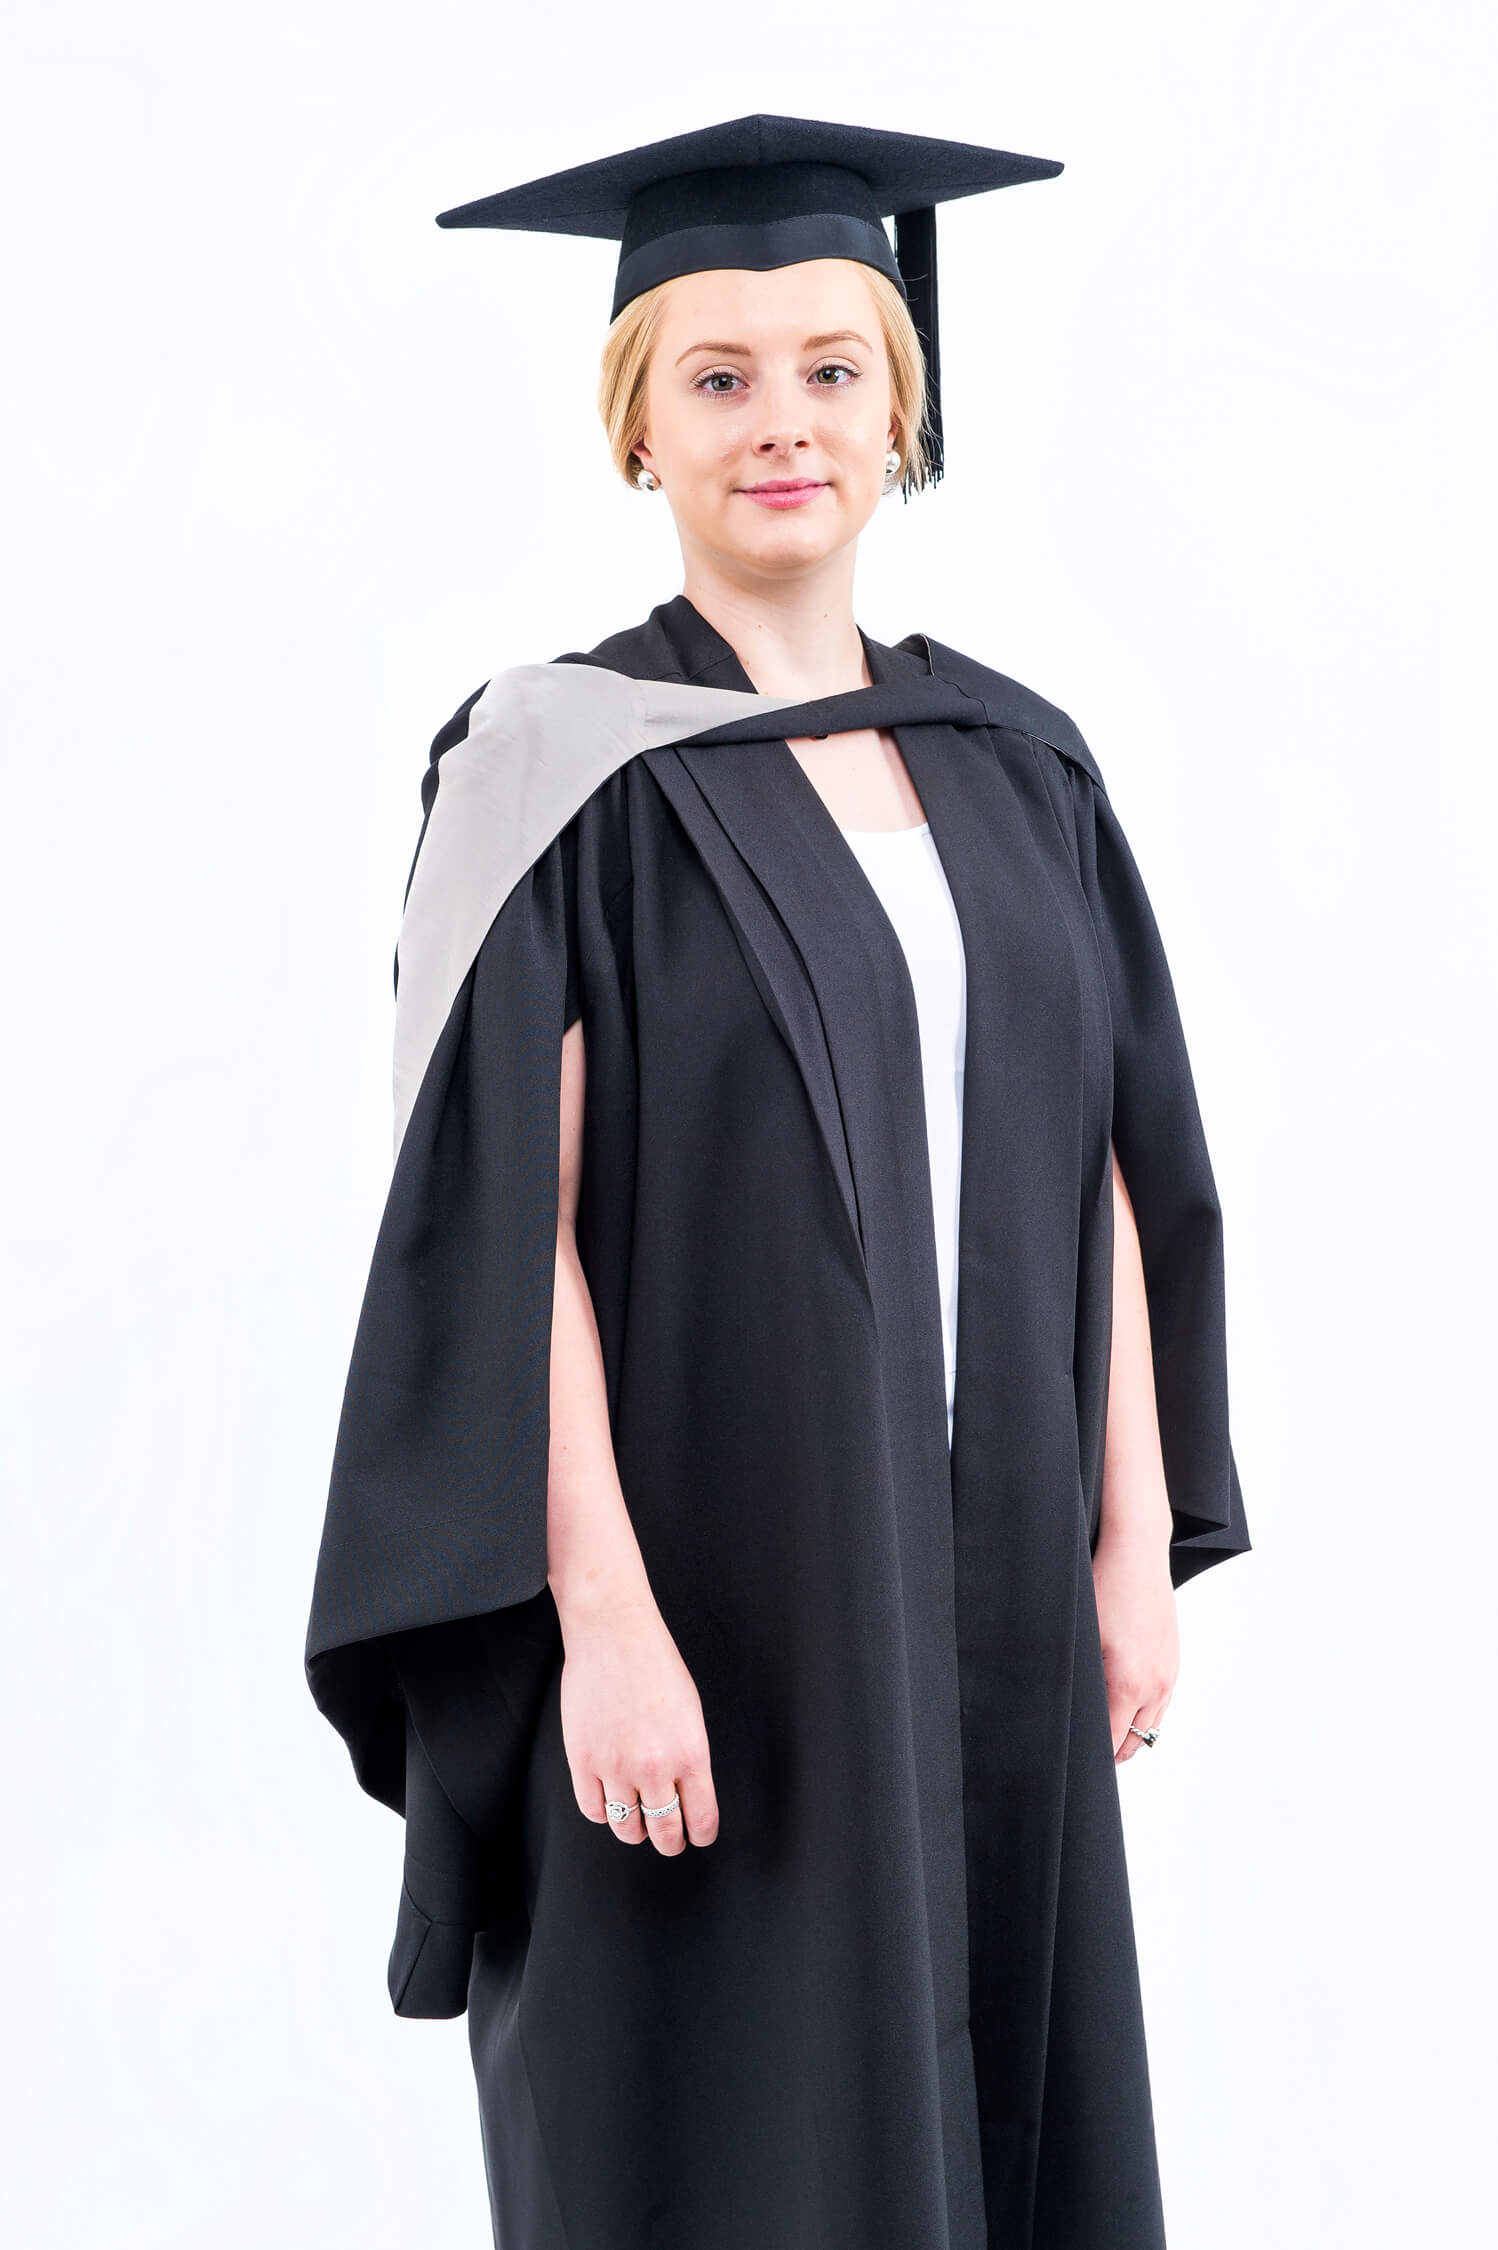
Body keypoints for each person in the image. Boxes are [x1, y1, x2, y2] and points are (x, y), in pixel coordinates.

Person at [304, 114, 1250, 2250]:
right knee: (719, 2135)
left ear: (902, 406)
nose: (781, 423)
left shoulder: (1018, 764)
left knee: (1004, 2113)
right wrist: (604, 1622)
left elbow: (1102, 1156)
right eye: (716, 376)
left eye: (830, 366)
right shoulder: (549, 765)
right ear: (636, 422)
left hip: (989, 1582)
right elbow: (494, 1232)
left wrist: (1123, 1534)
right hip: (716, 1603)